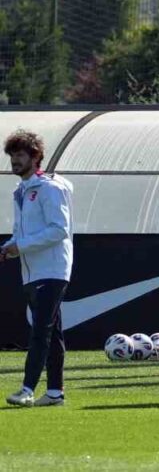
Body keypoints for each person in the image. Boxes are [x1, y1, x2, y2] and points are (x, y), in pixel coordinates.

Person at [2, 130, 74, 407]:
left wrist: (20, 247)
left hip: (52, 269)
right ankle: (55, 392)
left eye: (20, 155)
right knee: (52, 333)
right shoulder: (20, 191)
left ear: (35, 157)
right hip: (32, 271)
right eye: (12, 155)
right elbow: (21, 232)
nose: (15, 161)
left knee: (41, 330)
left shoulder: (50, 188)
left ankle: (27, 389)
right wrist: (8, 247)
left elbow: (59, 230)